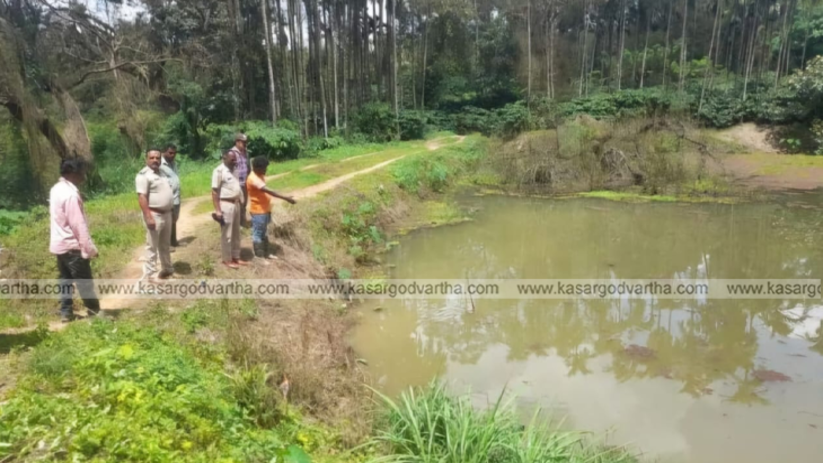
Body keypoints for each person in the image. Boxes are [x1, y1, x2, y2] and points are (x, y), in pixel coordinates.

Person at [49, 158, 101, 323]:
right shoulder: (70, 195)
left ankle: (66, 312)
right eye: (82, 172)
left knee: (65, 279)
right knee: (84, 280)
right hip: (72, 245)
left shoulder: (56, 189)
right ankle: (94, 312)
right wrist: (89, 248)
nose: (84, 175)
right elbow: (77, 224)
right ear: (73, 173)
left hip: (60, 244)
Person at [246, 156, 296, 261]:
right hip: (258, 211)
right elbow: (269, 191)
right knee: (258, 234)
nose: (266, 170)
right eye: (264, 168)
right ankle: (259, 258)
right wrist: (285, 198)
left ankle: (266, 254)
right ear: (257, 168)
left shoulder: (258, 175)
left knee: (263, 232)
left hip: (264, 210)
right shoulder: (253, 179)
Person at [136, 149, 175, 282]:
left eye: (157, 158)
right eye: (152, 158)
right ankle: (150, 275)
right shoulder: (143, 175)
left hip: (167, 214)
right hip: (154, 214)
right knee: (152, 246)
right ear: (146, 159)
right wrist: (148, 217)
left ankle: (167, 269)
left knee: (165, 245)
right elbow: (142, 197)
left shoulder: (162, 172)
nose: (155, 160)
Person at [212, 149, 248, 269]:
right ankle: (226, 259)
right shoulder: (219, 171)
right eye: (232, 160)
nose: (235, 162)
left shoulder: (235, 170)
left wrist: (242, 201)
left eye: (236, 160)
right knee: (227, 233)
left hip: (236, 204)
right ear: (224, 158)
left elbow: (238, 186)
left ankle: (236, 257)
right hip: (225, 204)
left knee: (236, 232)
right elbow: (214, 192)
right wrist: (217, 210)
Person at [160, 144, 181, 247]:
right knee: (167, 221)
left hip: (176, 197)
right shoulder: (160, 165)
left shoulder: (174, 164)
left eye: (174, 153)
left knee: (174, 220)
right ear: (164, 152)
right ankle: (167, 245)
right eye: (170, 153)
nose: (173, 155)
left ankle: (174, 241)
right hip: (167, 198)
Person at [228, 133, 250, 228]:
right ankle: (237, 224)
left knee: (244, 202)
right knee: (238, 203)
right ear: (237, 142)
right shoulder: (232, 153)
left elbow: (248, 166)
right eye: (243, 142)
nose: (245, 144)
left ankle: (242, 221)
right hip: (236, 182)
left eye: (246, 142)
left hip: (245, 182)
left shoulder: (245, 152)